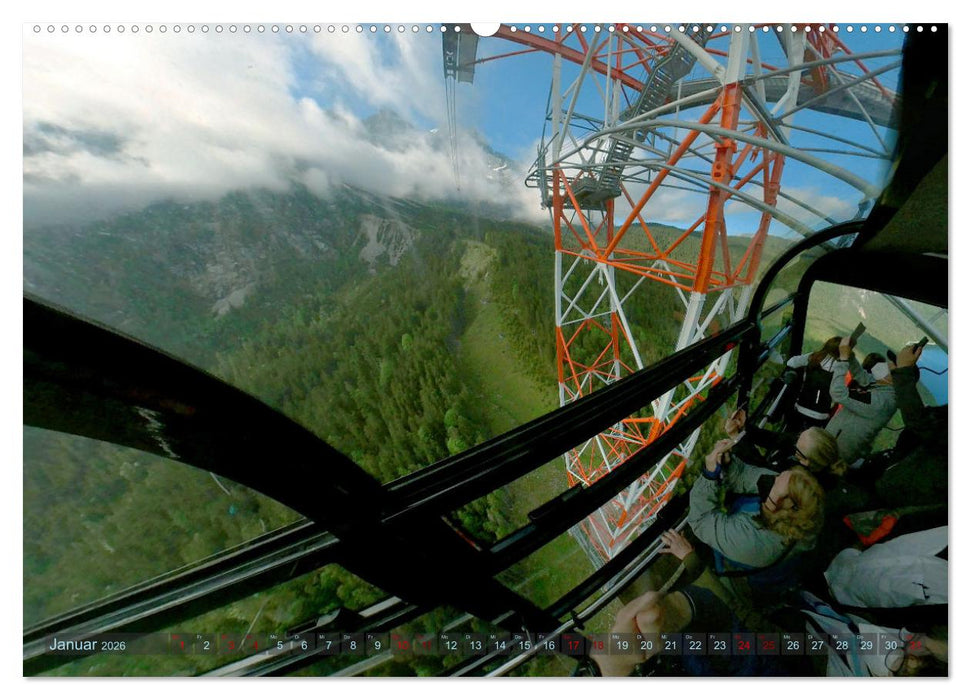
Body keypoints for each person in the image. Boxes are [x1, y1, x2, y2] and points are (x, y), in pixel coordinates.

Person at [591, 530, 801, 677]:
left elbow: (745, 618)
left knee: (644, 623)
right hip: (723, 647)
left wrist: (691, 559)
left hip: (718, 646)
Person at [687, 439, 825, 577]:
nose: (772, 479)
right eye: (778, 476)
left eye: (775, 483)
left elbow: (700, 519)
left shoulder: (752, 541)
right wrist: (728, 465)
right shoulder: (803, 504)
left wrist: (709, 476)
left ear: (779, 508)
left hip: (746, 559)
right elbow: (746, 477)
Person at [874, 342, 947, 509]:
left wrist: (904, 372)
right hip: (897, 477)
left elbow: (922, 425)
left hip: (901, 496)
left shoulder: (887, 399)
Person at [826, 335, 897, 464]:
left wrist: (843, 360)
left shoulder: (881, 402)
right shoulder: (882, 386)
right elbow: (861, 376)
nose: (887, 365)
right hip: (830, 445)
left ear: (897, 380)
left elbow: (838, 393)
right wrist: (850, 355)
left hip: (834, 455)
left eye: (892, 367)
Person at [784, 336, 841, 430]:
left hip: (801, 407)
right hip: (821, 415)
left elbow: (791, 362)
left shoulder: (813, 356)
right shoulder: (840, 368)